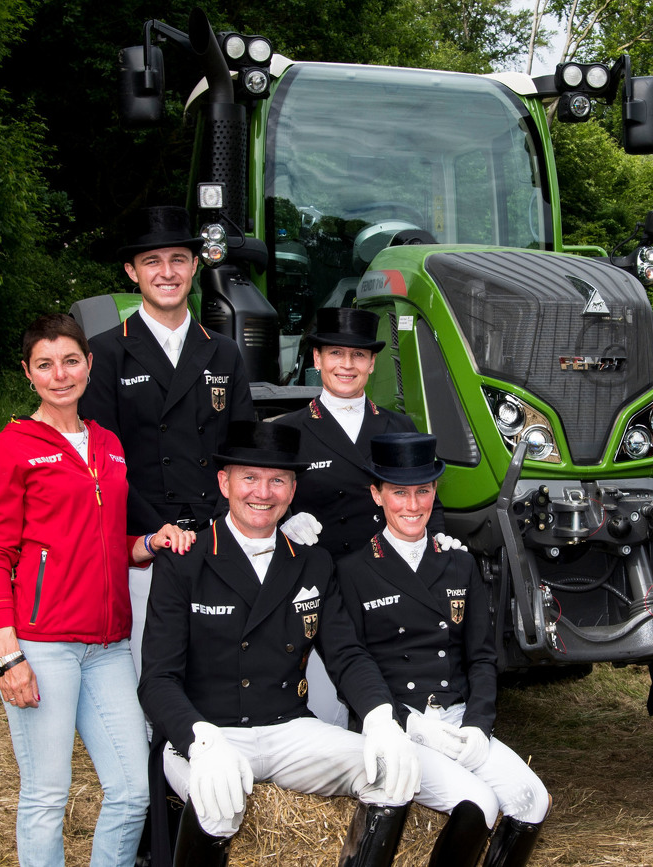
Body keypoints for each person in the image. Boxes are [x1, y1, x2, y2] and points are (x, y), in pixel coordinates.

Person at [138, 421, 422, 867]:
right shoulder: (185, 563)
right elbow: (157, 680)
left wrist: (381, 716)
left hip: (288, 727)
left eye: (278, 480)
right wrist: (199, 740)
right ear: (224, 482)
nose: (263, 492)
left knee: (391, 775)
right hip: (209, 731)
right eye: (249, 477)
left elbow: (346, 655)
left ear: (292, 491)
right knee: (218, 800)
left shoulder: (311, 562)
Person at [0, 313, 195, 867]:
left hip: (108, 647)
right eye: (45, 365)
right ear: (28, 373)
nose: (60, 374)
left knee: (131, 791)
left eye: (70, 361)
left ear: (89, 365)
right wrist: (8, 655)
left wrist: (151, 541)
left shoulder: (108, 444)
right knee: (47, 796)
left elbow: (106, 543)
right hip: (41, 644)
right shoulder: (11, 448)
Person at [336, 433, 550, 867]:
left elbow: (482, 657)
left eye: (423, 491)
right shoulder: (354, 571)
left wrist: (478, 724)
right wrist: (406, 724)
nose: (413, 506)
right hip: (398, 725)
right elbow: (350, 669)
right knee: (479, 804)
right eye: (400, 493)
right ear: (377, 495)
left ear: (435, 491)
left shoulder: (459, 562)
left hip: (455, 720)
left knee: (533, 800)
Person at [79, 205, 257, 679]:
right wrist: (156, 533)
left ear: (195, 266)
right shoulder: (104, 351)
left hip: (215, 536)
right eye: (152, 262)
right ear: (131, 271)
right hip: (145, 545)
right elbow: (103, 462)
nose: (167, 273)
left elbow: (241, 448)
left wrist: (225, 525)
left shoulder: (223, 351)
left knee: (216, 669)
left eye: (178, 259)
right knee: (150, 674)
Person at [274, 306, 448, 559]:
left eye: (358, 354)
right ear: (317, 359)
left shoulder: (400, 427)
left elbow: (429, 501)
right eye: (335, 353)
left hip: (388, 574)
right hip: (318, 573)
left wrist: (435, 547)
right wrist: (282, 524)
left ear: (372, 363)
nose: (347, 365)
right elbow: (255, 500)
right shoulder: (287, 430)